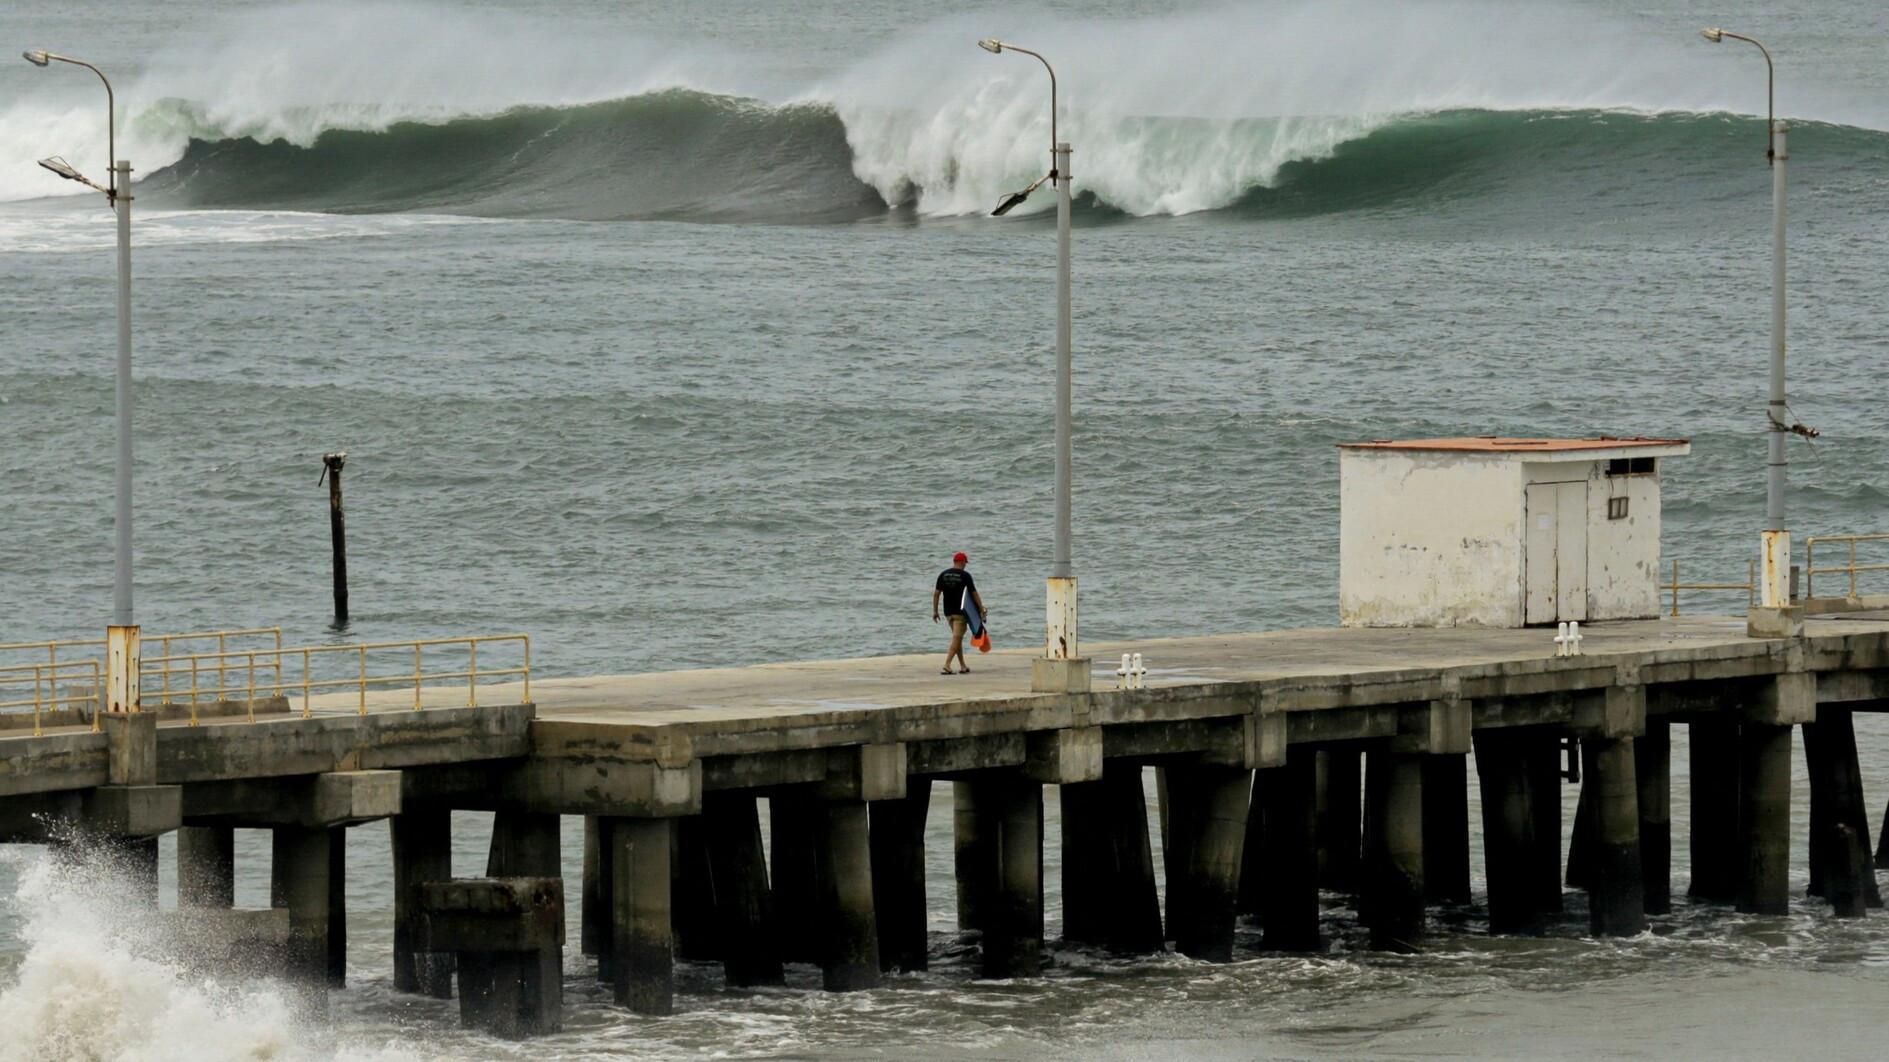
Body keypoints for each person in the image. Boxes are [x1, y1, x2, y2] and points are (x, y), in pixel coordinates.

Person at [932, 551, 988, 675]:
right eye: (965, 563)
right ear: (962, 562)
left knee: (957, 639)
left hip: (948, 613)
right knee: (957, 638)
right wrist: (981, 608)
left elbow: (936, 594)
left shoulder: (943, 574)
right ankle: (947, 665)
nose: (965, 565)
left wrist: (935, 611)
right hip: (960, 613)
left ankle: (962, 665)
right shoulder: (965, 575)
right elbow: (974, 594)